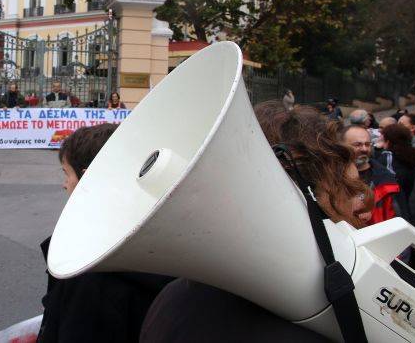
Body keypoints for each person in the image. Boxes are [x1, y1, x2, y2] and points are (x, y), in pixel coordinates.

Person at [140, 102, 369, 342]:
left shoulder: (174, 299)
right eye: (348, 190)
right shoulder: (330, 312)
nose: (359, 207)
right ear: (309, 193)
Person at [38, 123, 173, 343]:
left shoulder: (86, 272)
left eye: (66, 174)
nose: (64, 185)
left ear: (87, 179)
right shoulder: (161, 245)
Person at [343, 125, 400, 224]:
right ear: (342, 146)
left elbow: (396, 221)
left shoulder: (386, 180)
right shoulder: (332, 178)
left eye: (368, 144)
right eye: (357, 145)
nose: (364, 149)